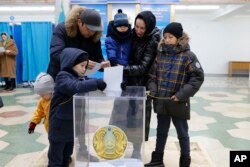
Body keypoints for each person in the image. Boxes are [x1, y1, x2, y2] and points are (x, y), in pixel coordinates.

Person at [145, 22, 204, 167]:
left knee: (182, 133)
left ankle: (185, 161)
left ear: (179, 38)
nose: (166, 40)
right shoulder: (160, 55)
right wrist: (153, 90)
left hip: (178, 101)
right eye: (165, 37)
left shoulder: (188, 56)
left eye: (170, 37)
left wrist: (181, 95)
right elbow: (152, 76)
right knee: (161, 131)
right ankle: (158, 159)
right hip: (162, 102)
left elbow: (197, 77)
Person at [48, 47, 106, 167]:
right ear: (71, 63)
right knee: (55, 160)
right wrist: (96, 83)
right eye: (82, 65)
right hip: (59, 127)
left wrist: (109, 83)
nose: (84, 69)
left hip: (71, 128)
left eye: (85, 66)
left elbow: (86, 84)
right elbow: (75, 87)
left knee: (66, 157)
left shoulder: (79, 77)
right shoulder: (62, 77)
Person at [123, 10, 161, 145]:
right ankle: (122, 146)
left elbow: (143, 68)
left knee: (139, 120)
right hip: (128, 83)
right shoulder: (132, 34)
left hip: (143, 86)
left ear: (149, 27)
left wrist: (121, 69)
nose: (138, 30)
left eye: (142, 28)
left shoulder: (153, 40)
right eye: (136, 26)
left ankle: (137, 151)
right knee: (125, 118)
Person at [47, 6, 110, 80]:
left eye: (94, 30)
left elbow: (97, 58)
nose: (91, 33)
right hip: (58, 76)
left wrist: (102, 64)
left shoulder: (94, 36)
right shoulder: (62, 29)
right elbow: (56, 55)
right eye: (88, 28)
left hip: (78, 78)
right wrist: (80, 61)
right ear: (79, 22)